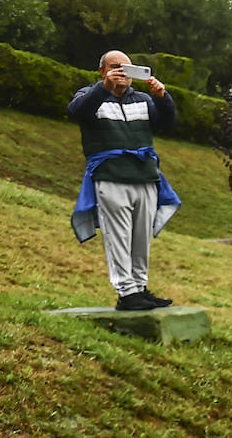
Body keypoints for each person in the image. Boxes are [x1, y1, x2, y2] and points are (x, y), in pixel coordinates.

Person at [68, 50, 180, 311]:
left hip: (146, 176)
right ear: (102, 71)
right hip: (111, 176)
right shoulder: (90, 95)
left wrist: (163, 98)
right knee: (118, 235)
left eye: (128, 68)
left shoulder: (143, 99)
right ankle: (126, 292)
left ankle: (139, 288)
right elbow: (76, 112)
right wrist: (103, 88)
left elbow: (168, 123)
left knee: (141, 237)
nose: (122, 73)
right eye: (115, 67)